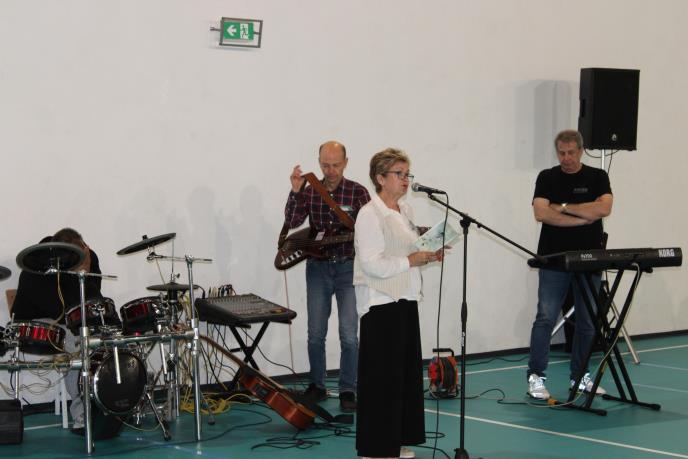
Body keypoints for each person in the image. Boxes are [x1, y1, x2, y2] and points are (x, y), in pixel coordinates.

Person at [353, 148, 444, 459]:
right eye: (399, 174)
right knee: (382, 378)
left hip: (405, 299)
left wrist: (428, 254)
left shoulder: (405, 210)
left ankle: (396, 440)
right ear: (380, 178)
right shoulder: (369, 214)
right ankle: (375, 447)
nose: (406, 180)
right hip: (381, 303)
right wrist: (410, 261)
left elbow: (408, 250)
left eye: (407, 174)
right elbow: (371, 263)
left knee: (402, 376)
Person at [284, 140, 371, 412]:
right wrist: (296, 191)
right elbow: (293, 221)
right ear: (319, 162)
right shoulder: (310, 191)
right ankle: (317, 386)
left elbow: (371, 230)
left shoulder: (358, 192)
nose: (330, 170)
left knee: (349, 335)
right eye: (325, 165)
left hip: (348, 268)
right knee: (315, 334)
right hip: (318, 269)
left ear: (346, 163)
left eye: (335, 165)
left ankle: (348, 389)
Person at [527, 130, 613, 400]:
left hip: (589, 260)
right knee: (545, 318)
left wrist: (563, 206)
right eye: (561, 153)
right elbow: (541, 212)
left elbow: (604, 209)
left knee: (587, 322)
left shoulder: (598, 177)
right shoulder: (547, 177)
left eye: (571, 153)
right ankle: (536, 377)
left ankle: (580, 376)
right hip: (553, 260)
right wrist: (582, 216)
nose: (566, 158)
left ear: (581, 150)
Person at [12, 228, 104, 434]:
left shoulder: (89, 256)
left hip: (68, 321)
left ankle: (107, 403)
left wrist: (87, 273)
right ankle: (82, 416)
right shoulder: (37, 265)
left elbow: (93, 299)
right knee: (75, 344)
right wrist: (78, 276)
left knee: (103, 339)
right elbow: (61, 310)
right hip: (36, 322)